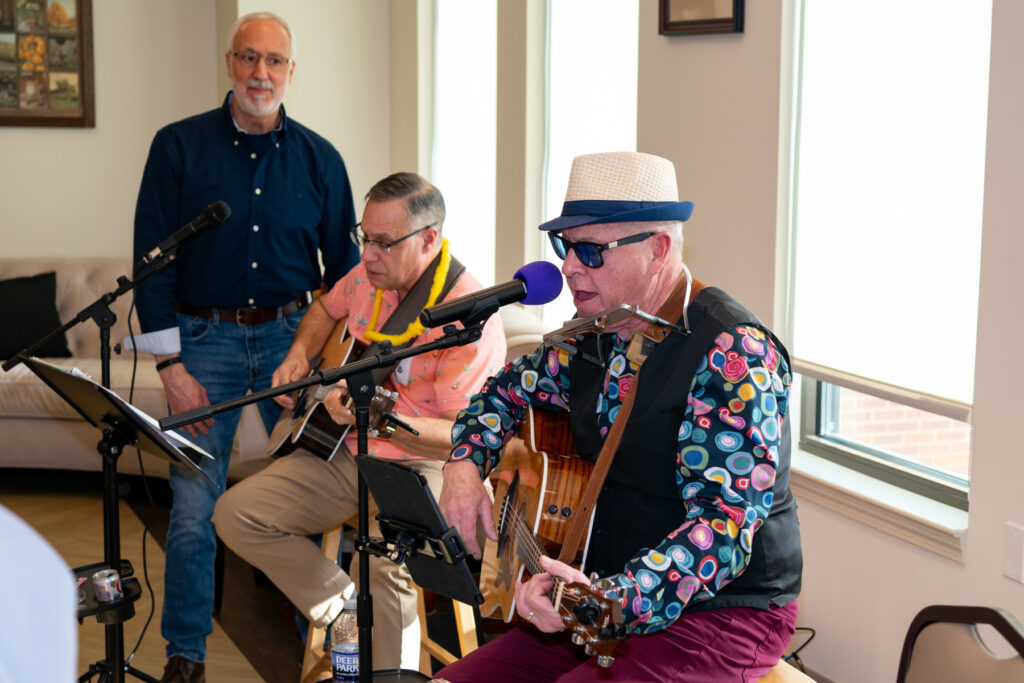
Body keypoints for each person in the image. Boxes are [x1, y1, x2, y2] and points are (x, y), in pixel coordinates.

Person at [437, 151, 803, 681]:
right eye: (565, 246)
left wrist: (610, 600)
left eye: (591, 249)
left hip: (724, 610)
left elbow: (723, 528)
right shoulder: (593, 334)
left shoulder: (731, 354)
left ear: (657, 250)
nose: (568, 267)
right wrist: (463, 466)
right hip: (599, 592)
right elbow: (501, 394)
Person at [131, 12, 359, 683]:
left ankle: (322, 633)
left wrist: (327, 362)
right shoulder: (177, 148)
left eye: (276, 62)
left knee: (321, 490)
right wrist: (171, 366)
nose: (262, 73)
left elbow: (347, 277)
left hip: (299, 339)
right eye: (249, 58)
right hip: (205, 342)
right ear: (230, 64)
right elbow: (152, 265)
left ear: (292, 71)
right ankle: (187, 652)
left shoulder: (322, 159)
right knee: (195, 507)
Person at [213, 172, 507, 680]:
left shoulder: (468, 318)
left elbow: (462, 435)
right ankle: (342, 607)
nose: (368, 254)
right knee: (236, 513)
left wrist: (382, 420)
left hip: (428, 463)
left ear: (429, 239)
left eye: (383, 243)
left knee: (386, 562)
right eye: (363, 238)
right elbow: (324, 309)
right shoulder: (367, 278)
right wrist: (299, 354)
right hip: (347, 449)